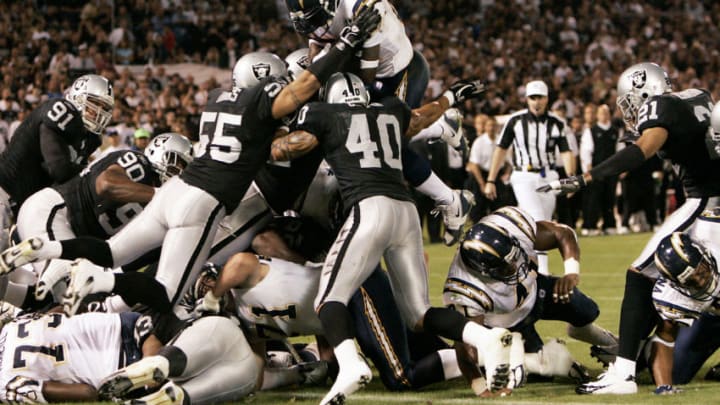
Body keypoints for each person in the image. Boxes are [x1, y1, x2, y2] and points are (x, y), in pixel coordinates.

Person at [0, 6, 383, 317]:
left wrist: (325, 48)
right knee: (165, 290)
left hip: (178, 190)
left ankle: (47, 249)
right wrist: (346, 45)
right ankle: (104, 289)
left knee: (115, 252)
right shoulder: (265, 105)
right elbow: (297, 98)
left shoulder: (218, 97)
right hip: (208, 203)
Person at [270, 72, 513, 404]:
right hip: (406, 209)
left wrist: (269, 138)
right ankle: (484, 339)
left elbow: (286, 149)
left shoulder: (322, 114)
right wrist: (452, 96)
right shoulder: (389, 110)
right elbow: (421, 118)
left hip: (369, 208)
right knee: (418, 313)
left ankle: (350, 366)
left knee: (329, 298)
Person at [538, 62, 720, 395]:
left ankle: (623, 373)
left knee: (639, 274)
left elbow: (643, 148)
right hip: (711, 201)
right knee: (667, 284)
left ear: (642, 89)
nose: (629, 108)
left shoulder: (659, 105)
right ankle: (633, 356)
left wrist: (586, 178)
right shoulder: (697, 97)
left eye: (629, 99)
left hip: (706, 204)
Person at [286, 0, 479, 246]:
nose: (312, 27)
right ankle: (442, 127)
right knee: (372, 138)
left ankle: (452, 200)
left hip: (396, 72)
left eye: (315, 19)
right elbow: (317, 41)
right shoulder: (317, 16)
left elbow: (367, 76)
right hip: (368, 72)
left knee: (387, 145)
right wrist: (316, 70)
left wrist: (341, 49)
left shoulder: (364, 8)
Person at [6, 133, 192, 309]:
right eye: (176, 166)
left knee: (60, 301)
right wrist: (159, 195)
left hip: (72, 237)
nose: (178, 175)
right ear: (158, 152)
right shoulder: (139, 163)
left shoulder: (162, 210)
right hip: (53, 212)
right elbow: (107, 184)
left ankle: (6, 292)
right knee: (71, 294)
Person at [443, 206, 617, 391]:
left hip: (537, 292)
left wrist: (571, 273)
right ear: (483, 271)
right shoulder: (463, 289)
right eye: (505, 268)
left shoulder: (509, 224)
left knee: (587, 309)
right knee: (538, 375)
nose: (515, 268)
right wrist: (482, 385)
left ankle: (610, 344)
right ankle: (531, 357)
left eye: (514, 257)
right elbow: (468, 350)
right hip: (506, 326)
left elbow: (563, 233)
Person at [0, 74, 114, 250]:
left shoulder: (90, 139)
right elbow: (59, 169)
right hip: (4, 195)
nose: (97, 110)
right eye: (93, 102)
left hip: (23, 210)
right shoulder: (60, 109)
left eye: (103, 107)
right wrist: (93, 172)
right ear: (77, 96)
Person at [484, 80, 575, 275]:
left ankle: (526, 267)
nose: (536, 102)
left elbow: (567, 152)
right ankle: (543, 273)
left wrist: (570, 178)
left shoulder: (557, 123)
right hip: (523, 175)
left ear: (547, 98)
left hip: (549, 174)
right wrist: (491, 179)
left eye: (540, 97)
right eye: (532, 98)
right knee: (537, 220)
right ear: (526, 99)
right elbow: (501, 149)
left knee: (546, 224)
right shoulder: (515, 121)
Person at [98, 315, 262, 405]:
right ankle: (171, 391)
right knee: (249, 376)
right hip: (240, 363)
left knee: (176, 361)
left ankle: (160, 365)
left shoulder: (172, 302)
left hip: (211, 338)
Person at [579, 104, 620, 236]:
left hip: (612, 170)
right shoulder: (590, 131)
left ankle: (609, 225)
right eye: (601, 113)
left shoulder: (616, 131)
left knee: (609, 198)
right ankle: (590, 225)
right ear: (597, 115)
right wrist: (588, 169)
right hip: (596, 170)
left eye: (606, 112)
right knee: (593, 198)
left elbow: (620, 150)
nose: (604, 115)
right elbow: (586, 152)